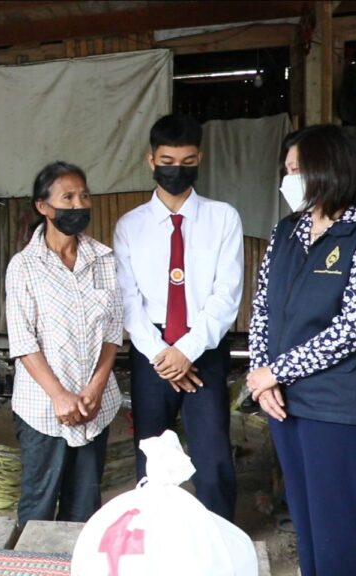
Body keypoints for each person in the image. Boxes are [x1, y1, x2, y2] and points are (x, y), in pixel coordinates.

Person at [114, 113, 243, 522]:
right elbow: (128, 301)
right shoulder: (130, 226)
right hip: (151, 349)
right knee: (151, 451)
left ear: (199, 159)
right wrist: (163, 356)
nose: (177, 170)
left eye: (187, 162)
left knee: (212, 453)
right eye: (168, 161)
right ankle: (155, 532)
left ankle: (218, 533)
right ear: (151, 161)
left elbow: (227, 294)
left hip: (203, 346)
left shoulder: (223, 218)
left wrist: (186, 350)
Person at [247, 125, 356, 576]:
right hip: (283, 402)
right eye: (287, 171)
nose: (289, 180)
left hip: (333, 406)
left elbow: (351, 327)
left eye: (298, 170)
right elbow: (261, 306)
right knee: (305, 519)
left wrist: (278, 371)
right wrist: (260, 374)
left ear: (329, 168)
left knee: (337, 525)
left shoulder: (354, 233)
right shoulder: (286, 231)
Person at [5, 162, 123, 526]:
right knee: (38, 508)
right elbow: (23, 340)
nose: (79, 205)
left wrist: (96, 388)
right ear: (43, 206)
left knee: (84, 508)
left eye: (84, 196)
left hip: (94, 406)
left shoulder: (103, 259)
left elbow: (113, 330)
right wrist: (59, 395)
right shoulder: (24, 266)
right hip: (43, 409)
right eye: (67, 197)